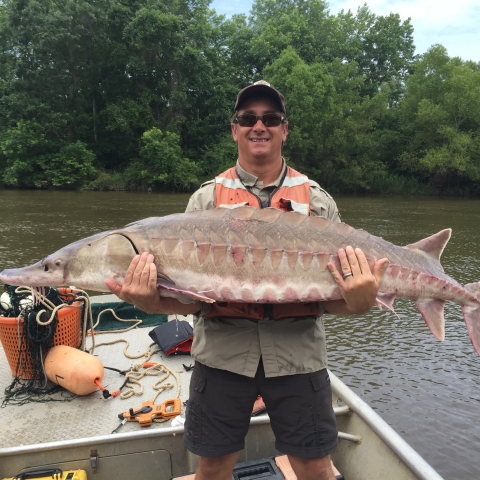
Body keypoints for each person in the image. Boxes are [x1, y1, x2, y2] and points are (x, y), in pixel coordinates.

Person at [105, 80, 388, 480]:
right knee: (213, 466)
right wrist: (149, 300)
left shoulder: (319, 202)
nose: (260, 125)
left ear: (284, 130)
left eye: (270, 118)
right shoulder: (204, 201)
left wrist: (361, 300)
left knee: (315, 466)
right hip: (222, 356)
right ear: (234, 129)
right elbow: (189, 298)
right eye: (248, 118)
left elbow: (338, 299)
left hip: (298, 356)